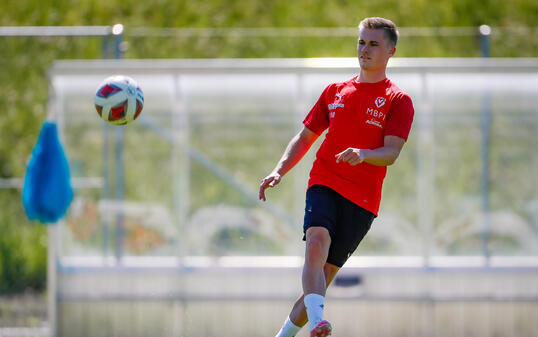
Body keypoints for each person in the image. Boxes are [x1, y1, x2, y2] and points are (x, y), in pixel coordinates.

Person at [258, 17, 415, 337]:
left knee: (321, 280)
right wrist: (279, 169)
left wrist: (364, 154)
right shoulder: (334, 91)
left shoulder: (399, 101)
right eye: (361, 42)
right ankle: (318, 323)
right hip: (325, 180)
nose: (365, 50)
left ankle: (285, 334)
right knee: (316, 242)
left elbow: (392, 152)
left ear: (391, 51)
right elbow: (304, 138)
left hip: (363, 201)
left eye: (373, 44)